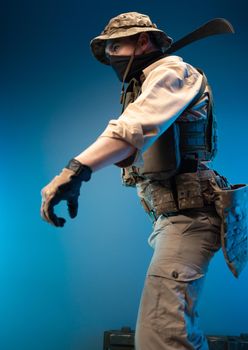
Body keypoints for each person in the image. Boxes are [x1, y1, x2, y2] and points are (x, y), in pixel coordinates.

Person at [40, 12, 234, 350]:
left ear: (143, 41)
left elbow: (131, 130)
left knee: (162, 335)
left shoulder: (172, 72)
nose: (112, 55)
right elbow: (130, 144)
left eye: (117, 45)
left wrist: (75, 171)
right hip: (172, 219)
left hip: (190, 219)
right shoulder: (148, 83)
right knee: (169, 332)